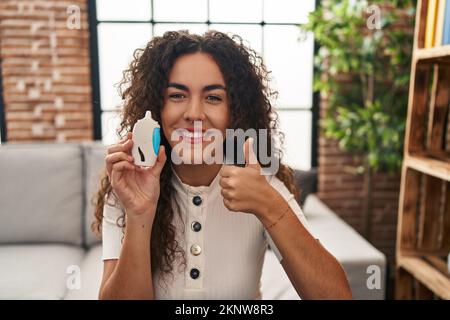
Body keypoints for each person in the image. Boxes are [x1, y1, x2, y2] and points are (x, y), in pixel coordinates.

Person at [92, 30, 352, 300]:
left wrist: (269, 205)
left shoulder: (260, 186)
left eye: (213, 98)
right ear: (157, 108)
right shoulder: (129, 187)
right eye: (177, 96)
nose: (194, 113)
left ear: (235, 111)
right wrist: (139, 214)